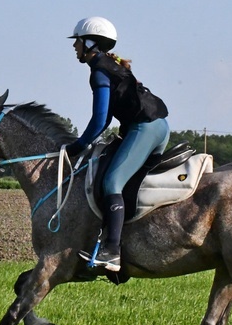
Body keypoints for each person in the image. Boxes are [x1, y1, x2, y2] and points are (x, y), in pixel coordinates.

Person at [65, 16, 170, 272]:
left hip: (144, 129)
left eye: (77, 42)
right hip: (157, 128)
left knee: (112, 183)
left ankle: (112, 251)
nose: (74, 47)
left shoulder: (100, 70)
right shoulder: (109, 66)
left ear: (90, 43)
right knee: (126, 183)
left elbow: (101, 120)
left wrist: (76, 147)